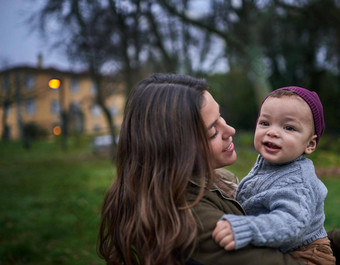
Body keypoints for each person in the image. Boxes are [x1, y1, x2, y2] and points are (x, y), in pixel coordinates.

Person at [98, 74, 339, 265]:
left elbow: (298, 225)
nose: (231, 130)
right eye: (213, 130)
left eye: (221, 116)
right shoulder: (188, 219)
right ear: (176, 147)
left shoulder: (217, 180)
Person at [212, 86, 336, 265]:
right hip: (283, 246)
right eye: (265, 123)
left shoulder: (298, 182)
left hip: (306, 254)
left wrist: (248, 228)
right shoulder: (272, 163)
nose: (272, 132)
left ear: (309, 144)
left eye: (288, 127)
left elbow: (291, 223)